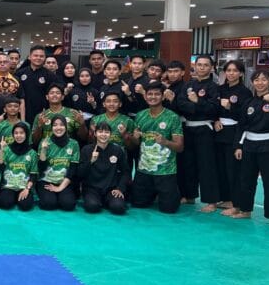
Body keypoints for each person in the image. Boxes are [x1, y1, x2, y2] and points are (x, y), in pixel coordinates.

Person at [225, 70, 269, 228]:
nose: (260, 83)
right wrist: (238, 146)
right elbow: (241, 126)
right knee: (246, 180)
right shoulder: (248, 102)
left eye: (264, 79)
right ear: (252, 83)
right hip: (249, 145)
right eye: (257, 80)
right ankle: (245, 210)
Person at [131, 82, 185, 213]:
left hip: (165, 171)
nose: (153, 97)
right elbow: (135, 144)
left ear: (163, 97)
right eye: (150, 94)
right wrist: (135, 138)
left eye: (157, 94)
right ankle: (152, 193)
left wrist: (165, 142)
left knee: (169, 209)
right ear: (145, 96)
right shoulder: (140, 115)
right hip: (144, 170)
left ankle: (169, 193)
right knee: (137, 204)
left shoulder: (172, 117)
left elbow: (180, 147)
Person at [176, 54, 221, 211]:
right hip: (188, 128)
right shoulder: (188, 85)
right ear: (194, 66)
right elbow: (180, 104)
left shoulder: (214, 87)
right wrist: (196, 107)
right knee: (187, 163)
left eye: (205, 65)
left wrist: (197, 102)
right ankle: (189, 195)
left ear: (211, 68)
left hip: (204, 129)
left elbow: (214, 109)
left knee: (206, 165)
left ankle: (211, 201)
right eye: (199, 64)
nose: (202, 68)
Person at [214, 60, 252, 210]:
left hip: (235, 131)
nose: (231, 73)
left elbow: (245, 116)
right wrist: (215, 120)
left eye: (235, 70)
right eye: (228, 70)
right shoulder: (220, 89)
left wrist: (230, 107)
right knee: (220, 167)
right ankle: (224, 197)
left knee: (233, 168)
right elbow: (213, 108)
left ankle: (234, 201)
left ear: (241, 73)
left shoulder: (245, 92)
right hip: (219, 131)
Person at [76, 122, 128, 215]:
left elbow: (126, 172)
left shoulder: (117, 150)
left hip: (111, 189)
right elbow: (79, 173)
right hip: (92, 189)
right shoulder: (86, 150)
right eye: (100, 132)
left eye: (107, 132)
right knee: (92, 206)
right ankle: (97, 201)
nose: (103, 135)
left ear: (110, 134)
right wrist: (91, 161)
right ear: (95, 134)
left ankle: (108, 201)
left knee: (118, 207)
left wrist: (120, 189)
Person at [37, 115, 80, 211]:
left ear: (66, 127)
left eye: (61, 125)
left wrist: (59, 188)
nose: (58, 128)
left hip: (65, 181)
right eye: (55, 125)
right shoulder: (44, 142)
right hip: (46, 181)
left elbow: (72, 170)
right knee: (49, 204)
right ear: (51, 127)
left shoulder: (74, 144)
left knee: (69, 205)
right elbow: (41, 169)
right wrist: (43, 150)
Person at [0, 124, 37, 211]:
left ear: (26, 134)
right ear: (13, 135)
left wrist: (27, 189)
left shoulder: (32, 153)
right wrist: (2, 150)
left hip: (24, 187)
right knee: (5, 204)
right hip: (8, 186)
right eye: (16, 133)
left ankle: (18, 197)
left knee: (25, 206)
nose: (19, 135)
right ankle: (12, 197)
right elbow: (0, 167)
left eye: (21, 133)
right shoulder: (7, 149)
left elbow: (33, 175)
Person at [18, 45, 61, 124]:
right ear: (29, 57)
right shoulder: (20, 73)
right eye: (36, 55)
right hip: (22, 112)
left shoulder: (50, 75)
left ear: (44, 58)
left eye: (41, 56)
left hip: (43, 113)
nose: (38, 58)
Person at [0, 52, 25, 120]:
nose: (2, 64)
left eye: (5, 62)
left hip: (13, 119)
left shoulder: (16, 79)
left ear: (9, 64)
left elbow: (22, 100)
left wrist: (23, 120)